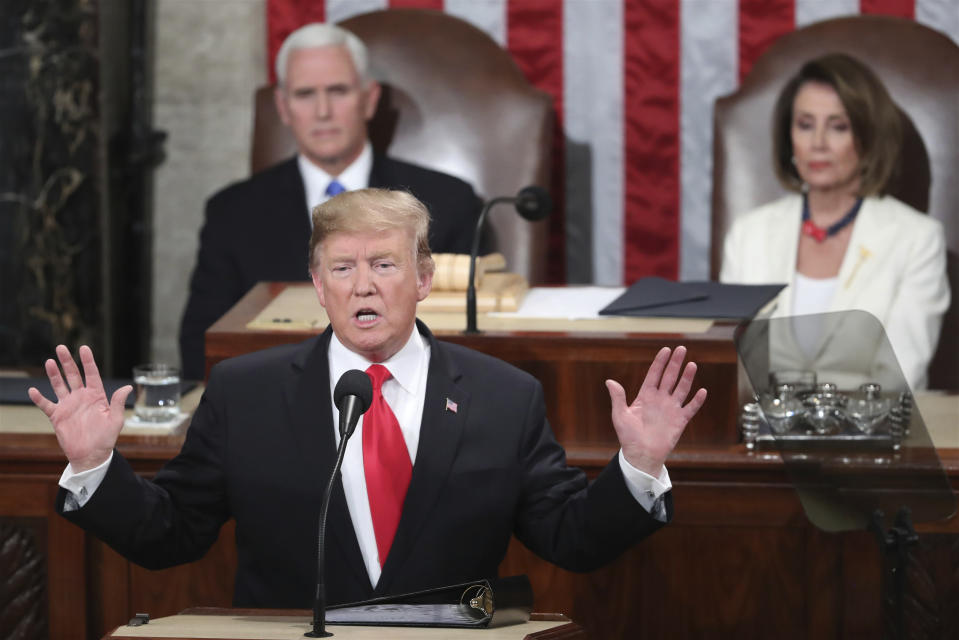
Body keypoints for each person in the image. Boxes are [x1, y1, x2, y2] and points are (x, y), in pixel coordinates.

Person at [31, 188, 707, 608]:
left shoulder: (503, 397)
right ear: (317, 285)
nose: (363, 287)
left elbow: (571, 539)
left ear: (422, 278)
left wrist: (638, 467)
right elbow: (169, 535)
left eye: (383, 265)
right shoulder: (246, 392)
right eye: (342, 268)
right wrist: (94, 467)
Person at [179, 22, 482, 381]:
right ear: (283, 106)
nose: (323, 111)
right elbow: (201, 347)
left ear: (369, 99)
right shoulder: (232, 213)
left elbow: (470, 344)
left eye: (338, 91)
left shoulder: (447, 203)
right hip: (276, 407)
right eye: (305, 94)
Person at [720, 53, 949, 390]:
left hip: (869, 436)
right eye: (805, 124)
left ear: (868, 138)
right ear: (789, 138)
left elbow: (900, 377)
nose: (818, 144)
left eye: (838, 126)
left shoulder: (917, 239)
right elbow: (734, 367)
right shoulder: (749, 234)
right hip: (761, 434)